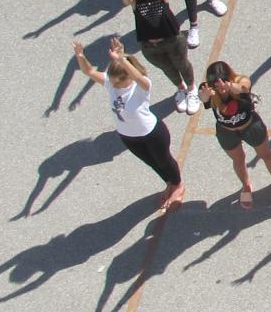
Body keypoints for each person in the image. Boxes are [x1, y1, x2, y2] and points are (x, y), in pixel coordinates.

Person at [71, 37, 185, 208]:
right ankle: (169, 183)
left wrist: (122, 59)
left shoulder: (141, 87)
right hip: (128, 137)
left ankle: (178, 185)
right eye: (112, 80)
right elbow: (89, 71)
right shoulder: (111, 83)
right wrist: (80, 55)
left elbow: (139, 77)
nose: (114, 84)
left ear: (129, 77)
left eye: (119, 81)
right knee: (152, 163)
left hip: (151, 134)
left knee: (164, 161)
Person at [199, 60, 271, 209]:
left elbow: (243, 88)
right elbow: (204, 101)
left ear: (229, 77)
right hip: (226, 132)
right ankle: (246, 186)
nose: (220, 87)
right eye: (216, 84)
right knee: (238, 160)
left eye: (223, 81)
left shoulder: (241, 80)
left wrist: (230, 86)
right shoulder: (207, 88)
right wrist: (205, 96)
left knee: (266, 155)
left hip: (251, 127)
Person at [113, 0, 195, 112]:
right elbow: (127, 1)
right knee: (168, 69)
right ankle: (181, 88)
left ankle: (191, 89)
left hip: (172, 40)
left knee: (182, 65)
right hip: (150, 47)